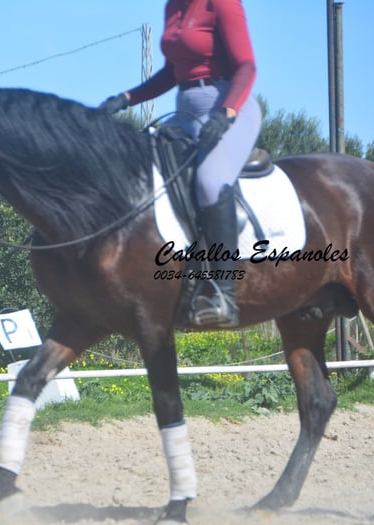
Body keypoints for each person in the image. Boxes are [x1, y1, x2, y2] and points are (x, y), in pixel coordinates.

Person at [100, 0, 261, 328]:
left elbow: (247, 67)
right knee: (143, 168)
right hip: (186, 110)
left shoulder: (221, 4)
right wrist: (126, 98)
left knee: (210, 182)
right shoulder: (172, 6)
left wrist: (227, 113)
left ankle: (224, 293)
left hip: (228, 105)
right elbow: (172, 72)